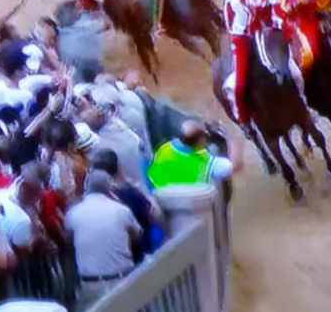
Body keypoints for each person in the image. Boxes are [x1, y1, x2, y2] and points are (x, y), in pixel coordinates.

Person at [64, 170, 140, 310]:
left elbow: (68, 240)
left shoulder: (73, 213)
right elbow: (137, 235)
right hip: (121, 280)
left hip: (90, 284)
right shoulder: (121, 210)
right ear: (109, 188)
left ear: (87, 187)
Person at [222, 0, 285, 128]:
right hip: (242, 39)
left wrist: (276, 26)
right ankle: (243, 118)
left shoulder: (272, 0)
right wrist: (232, 31)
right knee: (241, 84)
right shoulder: (235, 1)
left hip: (262, 34)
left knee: (289, 67)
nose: (258, 9)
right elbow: (227, 16)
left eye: (261, 7)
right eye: (255, 7)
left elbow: (281, 18)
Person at [147, 120, 240, 190]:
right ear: (200, 141)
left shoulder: (164, 149)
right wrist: (231, 138)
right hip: (194, 207)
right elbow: (235, 166)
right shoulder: (204, 162)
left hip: (164, 202)